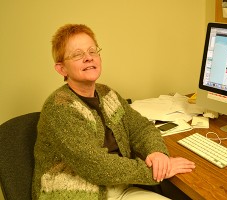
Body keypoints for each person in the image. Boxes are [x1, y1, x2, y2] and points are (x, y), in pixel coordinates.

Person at [32, 24, 195, 200]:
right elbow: (97, 166)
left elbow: (141, 128)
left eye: (92, 51)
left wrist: (157, 153)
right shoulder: (59, 108)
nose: (88, 58)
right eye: (78, 54)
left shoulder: (106, 93)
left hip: (119, 188)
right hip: (75, 194)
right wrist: (158, 171)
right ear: (61, 69)